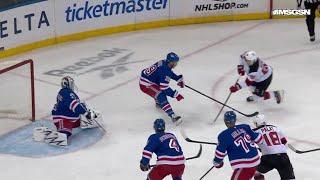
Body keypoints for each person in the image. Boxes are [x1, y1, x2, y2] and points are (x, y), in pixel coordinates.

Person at [49, 76, 100, 146]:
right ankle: (52, 136)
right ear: (67, 84)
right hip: (63, 119)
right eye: (71, 83)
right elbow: (75, 105)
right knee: (64, 134)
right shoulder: (65, 92)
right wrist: (86, 113)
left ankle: (84, 120)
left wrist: (86, 109)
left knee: (84, 118)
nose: (73, 85)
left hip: (71, 118)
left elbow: (77, 104)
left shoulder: (68, 92)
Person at [213, 111, 263, 180]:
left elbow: (219, 155)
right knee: (256, 173)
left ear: (225, 121)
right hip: (256, 161)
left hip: (244, 166)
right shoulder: (245, 127)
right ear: (235, 119)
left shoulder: (223, 136)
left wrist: (217, 163)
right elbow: (260, 140)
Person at [139, 52, 184, 125]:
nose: (176, 64)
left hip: (150, 79)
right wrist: (175, 95)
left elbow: (168, 72)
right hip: (146, 84)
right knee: (161, 94)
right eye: (175, 62)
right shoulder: (165, 70)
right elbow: (164, 88)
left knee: (159, 89)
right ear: (170, 62)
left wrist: (177, 78)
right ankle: (173, 116)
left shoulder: (164, 62)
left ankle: (159, 103)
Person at [252, 115, 295, 180]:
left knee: (255, 171)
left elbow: (251, 144)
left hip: (268, 158)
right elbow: (283, 141)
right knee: (289, 178)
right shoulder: (275, 128)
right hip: (283, 156)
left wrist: (260, 148)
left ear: (256, 123)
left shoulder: (254, 131)